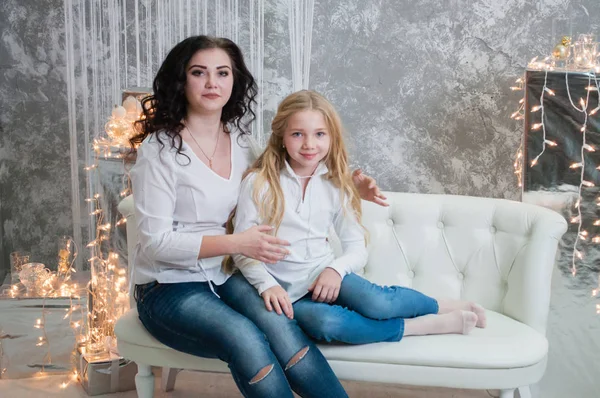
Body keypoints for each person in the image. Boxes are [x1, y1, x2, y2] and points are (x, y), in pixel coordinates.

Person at [129, 35, 384, 398]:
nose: (212, 82)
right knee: (245, 337)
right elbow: (155, 244)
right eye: (199, 72)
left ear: (235, 81)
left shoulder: (240, 140)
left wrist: (352, 187)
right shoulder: (159, 151)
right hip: (168, 286)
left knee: (281, 328)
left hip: (226, 272)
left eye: (222, 73)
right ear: (181, 80)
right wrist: (237, 243)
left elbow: (292, 175)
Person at [228, 90, 487, 346]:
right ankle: (416, 327)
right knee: (327, 324)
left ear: (331, 138)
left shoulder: (336, 184)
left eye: (319, 134)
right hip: (286, 293)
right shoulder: (258, 182)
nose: (309, 144)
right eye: (298, 134)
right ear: (282, 136)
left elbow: (355, 246)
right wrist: (267, 286)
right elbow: (240, 248)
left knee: (378, 303)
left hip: (324, 275)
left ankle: (440, 306)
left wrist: (334, 270)